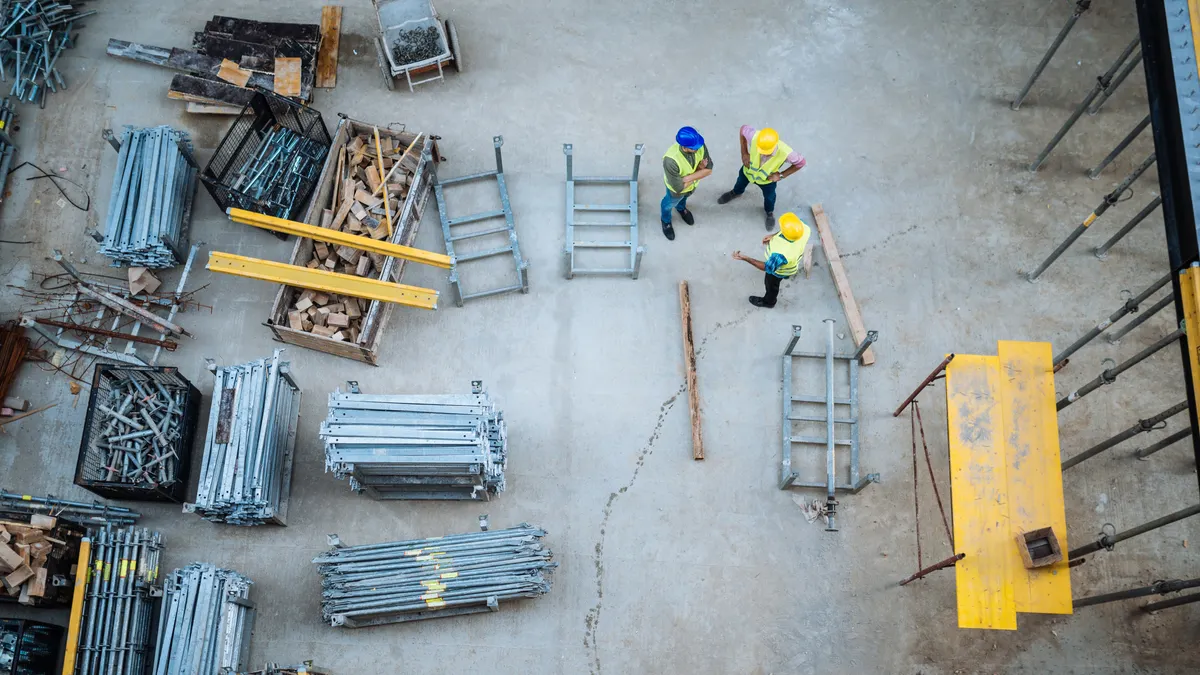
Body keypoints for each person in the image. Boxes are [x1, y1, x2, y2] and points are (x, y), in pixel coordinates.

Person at [717, 126, 806, 230]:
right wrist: (744, 153)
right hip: (748, 171)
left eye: (766, 151)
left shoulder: (786, 152)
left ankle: (769, 212)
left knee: (769, 197)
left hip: (767, 180)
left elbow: (801, 162)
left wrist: (781, 175)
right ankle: (736, 192)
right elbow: (742, 129)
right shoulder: (755, 136)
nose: (762, 152)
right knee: (740, 182)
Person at [731, 211, 811, 308]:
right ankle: (786, 276)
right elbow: (788, 233)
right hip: (792, 264)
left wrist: (745, 258)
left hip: (779, 270)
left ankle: (769, 302)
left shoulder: (780, 254)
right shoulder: (804, 228)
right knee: (787, 272)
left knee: (771, 285)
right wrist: (774, 236)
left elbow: (767, 267)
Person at [660, 126, 713, 241]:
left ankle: (681, 208)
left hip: (691, 187)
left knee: (684, 198)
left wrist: (687, 178)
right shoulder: (670, 160)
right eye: (695, 148)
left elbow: (709, 170)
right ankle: (666, 220)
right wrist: (700, 171)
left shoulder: (699, 144)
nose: (699, 149)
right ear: (684, 147)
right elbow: (678, 187)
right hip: (675, 191)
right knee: (668, 204)